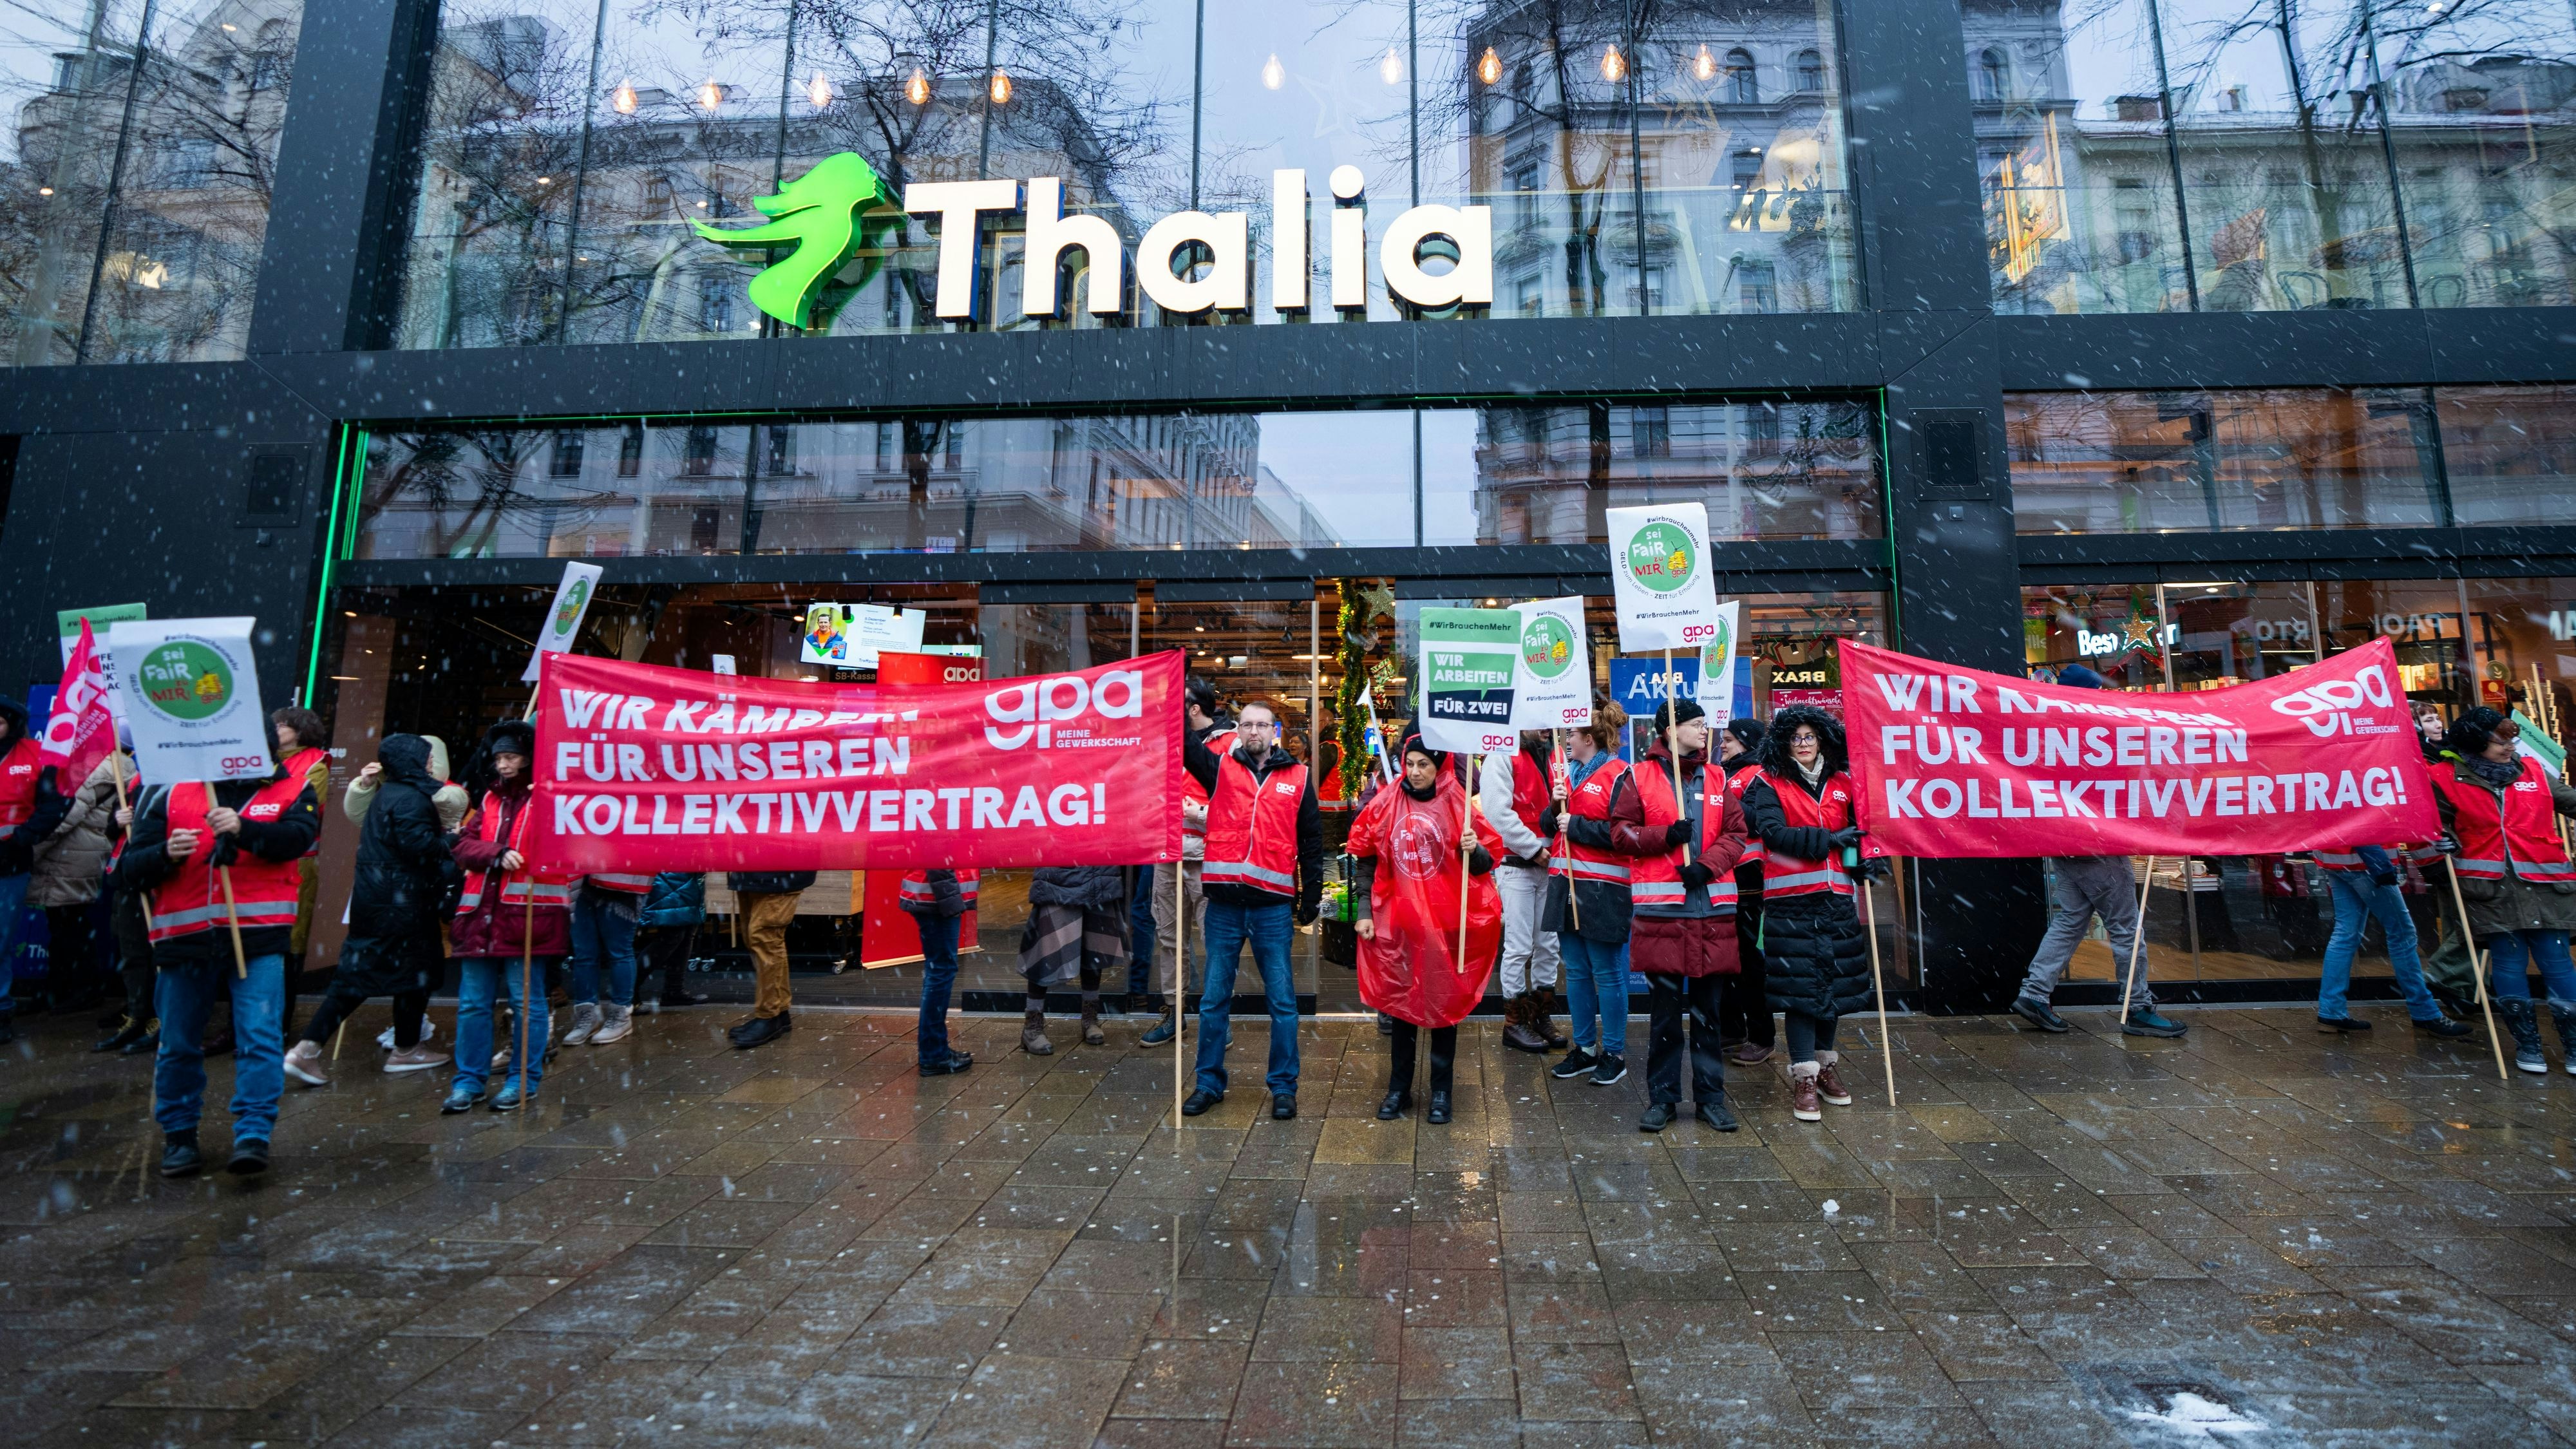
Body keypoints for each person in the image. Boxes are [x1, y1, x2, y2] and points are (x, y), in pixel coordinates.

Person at [114, 750, 321, 1177]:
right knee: (177, 1042)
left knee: (260, 1038)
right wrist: (164, 854)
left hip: (258, 937)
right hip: (183, 940)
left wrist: (245, 830)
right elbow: (127, 872)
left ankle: (253, 1134)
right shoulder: (167, 793)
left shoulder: (293, 787)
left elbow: (298, 841)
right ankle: (179, 1135)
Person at [2005, 664, 2188, 1041]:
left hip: (2063, 841)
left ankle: (2034, 993)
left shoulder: (2049, 732)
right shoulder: (2095, 733)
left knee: (2071, 920)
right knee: (2126, 929)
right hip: (2097, 843)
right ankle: (2138, 1007)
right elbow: (2120, 780)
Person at [1607, 698, 1752, 1133]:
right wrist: (1664, 836)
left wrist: (1706, 867)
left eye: (1706, 724)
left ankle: (1711, 1098)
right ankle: (1663, 1099)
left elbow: (1737, 833)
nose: (1705, 731)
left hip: (1711, 913)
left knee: (1710, 1014)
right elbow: (1621, 833)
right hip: (1663, 916)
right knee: (1665, 1016)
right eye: (1696, 724)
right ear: (1670, 730)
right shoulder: (1638, 776)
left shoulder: (1717, 776)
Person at [283, 735, 460, 1086]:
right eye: (425, 759)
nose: (429, 765)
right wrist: (455, 838)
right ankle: (312, 1050)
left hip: (379, 899)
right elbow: (419, 847)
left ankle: (400, 1048)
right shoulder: (411, 797)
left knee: (394, 975)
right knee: (397, 975)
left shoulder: (388, 793)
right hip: (403, 904)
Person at [1348, 729, 1501, 1124]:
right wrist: (1364, 910)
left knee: (1443, 1009)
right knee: (1401, 1008)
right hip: (1400, 923)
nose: (1415, 772)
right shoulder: (1385, 803)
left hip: (1447, 925)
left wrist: (1475, 850)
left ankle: (1441, 1092)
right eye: (1410, 764)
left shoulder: (1459, 806)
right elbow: (1367, 858)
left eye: (1424, 765)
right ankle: (1398, 1089)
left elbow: (1486, 864)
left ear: (1439, 766)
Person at [1738, 706, 1880, 1124]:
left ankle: (1825, 1067)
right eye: (1795, 737)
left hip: (1836, 899)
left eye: (1809, 736)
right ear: (1784, 741)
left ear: (1823, 739)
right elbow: (1774, 834)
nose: (1803, 743)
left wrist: (1861, 863)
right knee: (1800, 992)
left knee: (1831, 989)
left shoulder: (1843, 784)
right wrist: (1828, 839)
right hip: (1790, 901)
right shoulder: (1768, 782)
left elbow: (1854, 839)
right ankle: (1804, 1075)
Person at [1182, 699, 1323, 1121]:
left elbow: (1312, 842)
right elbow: (1187, 747)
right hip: (1224, 905)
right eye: (1248, 725)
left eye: (1262, 725)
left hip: (1271, 908)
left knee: (1282, 1002)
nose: (1255, 731)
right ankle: (1208, 1083)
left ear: (1274, 731)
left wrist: (1310, 897)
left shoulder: (1298, 778)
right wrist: (1174, 698)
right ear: (1238, 730)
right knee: (1213, 1001)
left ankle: (1283, 1087)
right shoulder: (1221, 769)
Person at [2429, 707, 2576, 1074]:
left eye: (2513, 739)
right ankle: (2529, 1047)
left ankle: (2574, 1048)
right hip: (2489, 890)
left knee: (2557, 964)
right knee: (2509, 964)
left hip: (2546, 884)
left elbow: (2571, 801)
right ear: (2476, 743)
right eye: (2501, 740)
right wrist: (2442, 841)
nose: (2510, 746)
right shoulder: (2444, 777)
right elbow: (2434, 825)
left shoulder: (2535, 772)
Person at [443, 721, 569, 1112]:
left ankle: (522, 1080)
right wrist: (494, 853)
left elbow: (566, 844)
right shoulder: (490, 800)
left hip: (528, 917)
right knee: (473, 1005)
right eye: (499, 757)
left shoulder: (549, 798)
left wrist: (551, 801)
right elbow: (463, 845)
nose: (503, 765)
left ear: (529, 757)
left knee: (525, 1003)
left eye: (511, 756)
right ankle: (469, 1082)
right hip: (483, 915)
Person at [1544, 701, 1643, 1087]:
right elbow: (1548, 824)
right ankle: (1585, 1049)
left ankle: (1614, 1053)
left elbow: (1628, 835)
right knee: (1579, 973)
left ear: (1589, 737)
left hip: (1604, 890)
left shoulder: (1621, 775)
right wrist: (1555, 805)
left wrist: (1578, 825)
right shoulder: (1565, 775)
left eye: (1571, 733)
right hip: (1566, 886)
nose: (1567, 739)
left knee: (1607, 974)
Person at [2311, 838, 2470, 1037]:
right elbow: (2371, 822)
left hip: (2336, 858)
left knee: (2345, 934)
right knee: (2402, 934)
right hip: (2368, 861)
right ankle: (2425, 1012)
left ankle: (2331, 1010)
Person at [1145, 678, 1230, 1046]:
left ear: (1194, 708)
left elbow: (1240, 804)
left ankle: (1217, 1019)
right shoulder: (1165, 741)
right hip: (1166, 855)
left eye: (1177, 703)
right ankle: (1174, 1012)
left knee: (1215, 941)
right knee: (1169, 938)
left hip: (1207, 857)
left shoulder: (1230, 743)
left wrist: (1198, 814)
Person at [1482, 730, 1568, 1053]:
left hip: (1549, 860)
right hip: (1518, 863)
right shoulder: (1502, 755)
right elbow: (1496, 812)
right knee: (1519, 946)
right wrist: (1534, 848)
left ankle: (1538, 1017)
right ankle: (1514, 1023)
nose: (1546, 726)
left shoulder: (1555, 754)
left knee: (1548, 944)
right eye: (1538, 721)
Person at [30, 746, 122, 1018]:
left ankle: (80, 990)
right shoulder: (111, 765)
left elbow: (62, 817)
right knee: (67, 926)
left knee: (69, 928)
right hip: (75, 857)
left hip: (70, 859)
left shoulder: (98, 767)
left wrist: (27, 851)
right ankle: (64, 991)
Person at [0, 696, 64, 1044]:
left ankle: (0, 1011)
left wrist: (22, 839)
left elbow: (55, 806)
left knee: (0, 941)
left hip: (8, 864)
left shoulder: (35, 753)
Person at [1715, 718, 1776, 1063]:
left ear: (1747, 742)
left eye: (1729, 740)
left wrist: (1719, 803)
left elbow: (1757, 820)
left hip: (1750, 883)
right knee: (1726, 959)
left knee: (1751, 963)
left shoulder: (1758, 774)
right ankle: (1732, 1029)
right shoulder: (1723, 774)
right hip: (1724, 878)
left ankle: (1762, 1036)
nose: (1722, 745)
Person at [1019, 866, 1129, 1052]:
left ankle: (1090, 1018)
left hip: (1099, 870)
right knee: (1045, 952)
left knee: (1094, 949)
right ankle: (1032, 1027)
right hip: (1059, 875)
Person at [271, 707, 331, 1036]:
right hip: (259, 861)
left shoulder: (315, 764)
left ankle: (278, 1023)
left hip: (297, 863)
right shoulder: (263, 758)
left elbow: (297, 808)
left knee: (288, 945)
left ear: (301, 730)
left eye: (284, 725)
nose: (277, 730)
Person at [900, 866, 978, 1075]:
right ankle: (933, 1054)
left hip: (935, 897)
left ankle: (935, 1049)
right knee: (941, 972)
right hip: (938, 900)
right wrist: (951, 901)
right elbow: (938, 860)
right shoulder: (941, 832)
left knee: (938, 971)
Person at [562, 866, 649, 1047]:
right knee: (585, 954)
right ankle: (590, 1015)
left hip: (619, 878)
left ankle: (620, 1015)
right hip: (585, 877)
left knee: (617, 951)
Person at [728, 869, 813, 1048]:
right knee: (759, 939)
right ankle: (779, 1013)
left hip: (778, 872)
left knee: (765, 939)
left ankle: (769, 1015)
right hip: (753, 870)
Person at [347, 735, 469, 831]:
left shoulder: (452, 790)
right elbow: (361, 818)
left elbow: (445, 803)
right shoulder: (395, 790)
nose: (429, 759)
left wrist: (406, 778)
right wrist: (365, 786)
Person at [637, 872, 708, 1011]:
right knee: (672, 937)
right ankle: (627, 991)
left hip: (684, 877)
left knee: (686, 933)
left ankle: (674, 990)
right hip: (672, 876)